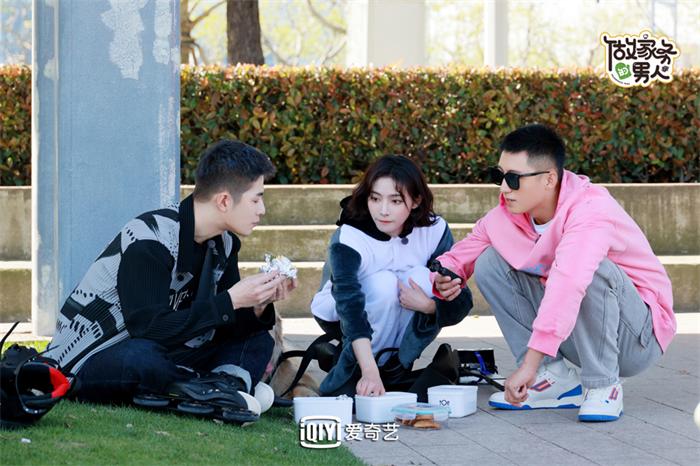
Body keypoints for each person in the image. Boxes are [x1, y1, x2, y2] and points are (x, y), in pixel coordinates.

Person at [433, 124, 675, 422]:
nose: (504, 188)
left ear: (549, 179)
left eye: (513, 179)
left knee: (591, 270)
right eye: (499, 176)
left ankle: (603, 385)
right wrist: (444, 276)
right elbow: (467, 249)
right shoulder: (507, 216)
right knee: (490, 263)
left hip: (635, 339)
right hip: (577, 333)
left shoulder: (591, 209)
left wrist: (529, 363)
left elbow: (570, 282)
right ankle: (555, 377)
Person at [45, 140, 296, 414]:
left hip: (172, 350)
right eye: (256, 199)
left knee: (259, 339)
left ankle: (218, 387)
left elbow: (224, 326)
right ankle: (221, 386)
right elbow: (149, 329)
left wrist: (258, 305)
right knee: (142, 358)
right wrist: (231, 300)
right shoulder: (150, 239)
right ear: (224, 200)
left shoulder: (224, 244)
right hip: (97, 357)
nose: (262, 210)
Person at [311, 155, 472, 397]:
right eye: (375, 198)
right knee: (384, 284)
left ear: (416, 201)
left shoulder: (434, 230)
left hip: (404, 308)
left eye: (395, 201)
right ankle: (364, 367)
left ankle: (396, 367)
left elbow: (461, 299)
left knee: (422, 278)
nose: (383, 210)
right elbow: (348, 304)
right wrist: (369, 371)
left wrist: (430, 307)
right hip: (341, 313)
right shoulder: (350, 236)